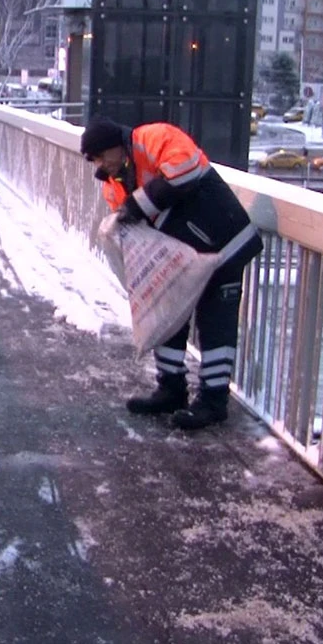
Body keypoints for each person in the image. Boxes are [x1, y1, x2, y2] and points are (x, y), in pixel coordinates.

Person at [80, 117, 264, 430]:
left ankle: (213, 402)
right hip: (184, 259)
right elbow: (134, 226)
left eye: (100, 156)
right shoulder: (112, 184)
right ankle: (171, 388)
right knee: (167, 315)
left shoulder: (154, 138)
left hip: (225, 243)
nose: (100, 165)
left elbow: (187, 172)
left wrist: (137, 205)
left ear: (115, 147)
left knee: (216, 323)